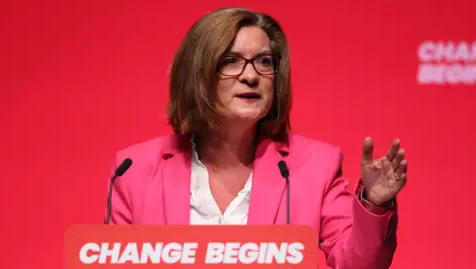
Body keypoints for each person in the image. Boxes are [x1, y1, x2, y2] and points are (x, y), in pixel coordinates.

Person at [107, 7, 407, 269]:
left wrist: (375, 204)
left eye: (264, 62)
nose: (251, 76)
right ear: (197, 73)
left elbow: (357, 264)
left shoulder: (315, 167)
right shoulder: (135, 170)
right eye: (231, 61)